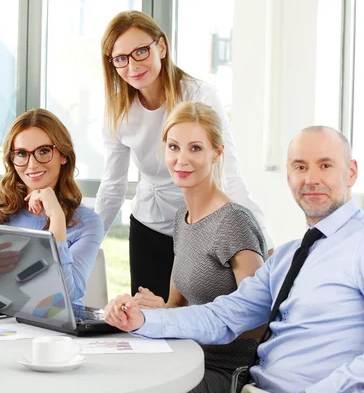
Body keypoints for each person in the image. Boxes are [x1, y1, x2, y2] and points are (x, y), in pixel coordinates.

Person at [104, 126, 364, 393]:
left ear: (351, 172)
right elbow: (222, 316)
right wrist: (143, 321)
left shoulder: (358, 246)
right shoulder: (288, 258)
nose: (311, 179)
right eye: (300, 167)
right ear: (288, 176)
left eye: (325, 165)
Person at [95, 10, 273, 301]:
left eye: (141, 51)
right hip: (149, 227)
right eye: (121, 58)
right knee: (152, 325)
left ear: (161, 47)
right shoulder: (117, 110)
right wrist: (87, 249)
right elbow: (112, 187)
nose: (133, 65)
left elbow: (230, 173)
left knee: (204, 321)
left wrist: (263, 240)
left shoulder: (199, 96)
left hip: (201, 228)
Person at [132, 101, 266, 392]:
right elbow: (177, 305)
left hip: (222, 369)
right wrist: (158, 309)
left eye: (195, 148)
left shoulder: (233, 222)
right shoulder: (182, 218)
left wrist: (170, 317)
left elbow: (258, 321)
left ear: (217, 153)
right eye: (173, 147)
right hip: (183, 356)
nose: (181, 159)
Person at [0, 109, 104, 305]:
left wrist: (57, 219)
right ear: (12, 159)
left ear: (63, 155)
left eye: (44, 151)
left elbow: (65, 296)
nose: (32, 164)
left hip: (54, 330)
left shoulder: (88, 223)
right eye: (21, 154)